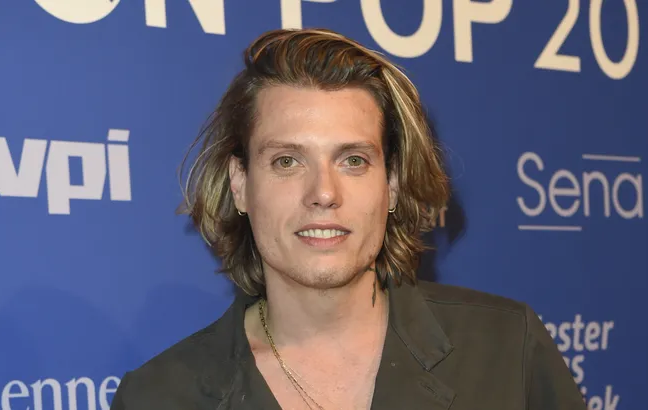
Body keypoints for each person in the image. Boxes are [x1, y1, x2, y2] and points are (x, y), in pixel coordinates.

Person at [111, 28, 587, 409]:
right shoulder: (159, 397)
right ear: (240, 185)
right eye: (287, 161)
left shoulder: (507, 350)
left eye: (353, 160)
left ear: (392, 184)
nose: (323, 193)